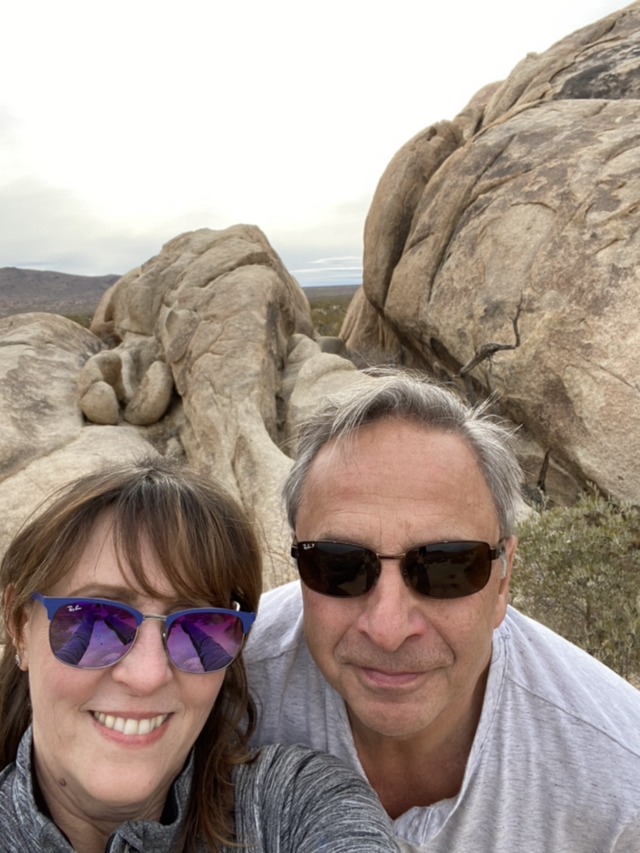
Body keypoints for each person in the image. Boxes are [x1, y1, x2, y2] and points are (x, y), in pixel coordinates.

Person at [245, 369, 640, 852]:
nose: (388, 629)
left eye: (446, 567)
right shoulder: (221, 684)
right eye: (338, 565)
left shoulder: (621, 788)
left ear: (503, 579)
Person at [0, 458, 398, 853]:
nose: (148, 676)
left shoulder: (296, 806)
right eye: (96, 620)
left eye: (199, 626)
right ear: (20, 627)